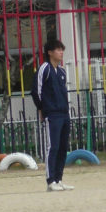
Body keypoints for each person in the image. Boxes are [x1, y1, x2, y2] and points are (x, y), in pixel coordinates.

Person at [31, 38, 72, 192]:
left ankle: (58, 179)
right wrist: (42, 109)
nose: (61, 53)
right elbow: (36, 91)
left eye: (62, 50)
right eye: (58, 50)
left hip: (64, 114)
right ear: (49, 52)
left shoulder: (61, 71)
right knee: (53, 147)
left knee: (63, 147)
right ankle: (50, 181)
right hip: (52, 114)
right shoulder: (45, 69)